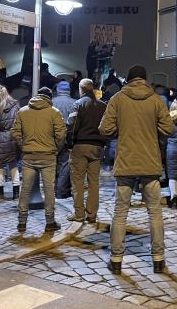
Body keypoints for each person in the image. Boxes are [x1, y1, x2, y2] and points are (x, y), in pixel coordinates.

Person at [98, 65, 174, 274]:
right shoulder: (156, 100)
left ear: (129, 80)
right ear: (145, 79)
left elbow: (105, 129)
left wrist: (120, 130)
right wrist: (152, 129)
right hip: (150, 163)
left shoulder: (118, 99)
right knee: (155, 212)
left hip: (126, 163)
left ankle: (116, 260)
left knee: (120, 213)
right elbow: (169, 129)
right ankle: (158, 259)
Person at [12, 86, 66, 233]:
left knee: (25, 190)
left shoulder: (23, 111)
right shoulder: (54, 112)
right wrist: (56, 148)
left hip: (28, 155)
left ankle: (22, 222)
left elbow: (15, 132)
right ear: (49, 97)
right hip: (48, 156)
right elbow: (61, 135)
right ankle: (50, 221)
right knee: (49, 190)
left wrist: (24, 145)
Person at [67, 79, 107, 222]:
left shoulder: (78, 104)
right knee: (94, 182)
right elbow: (107, 127)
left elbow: (71, 126)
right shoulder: (103, 106)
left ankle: (79, 214)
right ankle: (92, 214)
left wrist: (70, 144)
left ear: (81, 89)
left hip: (80, 146)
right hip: (97, 148)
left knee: (77, 182)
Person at [0, 85, 21, 201]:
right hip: (13, 137)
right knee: (14, 164)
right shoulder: (16, 105)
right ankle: (16, 194)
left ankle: (0, 195)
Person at [53, 80, 77, 199]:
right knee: (64, 164)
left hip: (52, 139)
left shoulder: (51, 102)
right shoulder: (75, 103)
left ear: (58, 90)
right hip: (67, 139)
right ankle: (61, 192)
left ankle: (52, 188)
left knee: (52, 164)